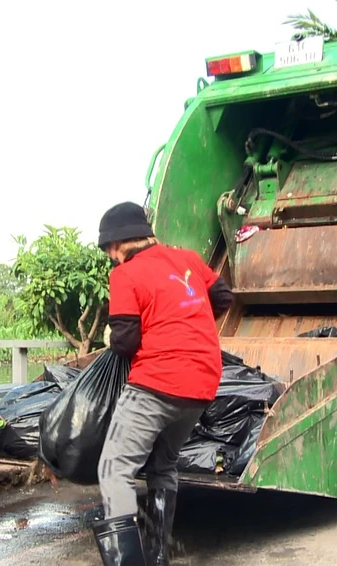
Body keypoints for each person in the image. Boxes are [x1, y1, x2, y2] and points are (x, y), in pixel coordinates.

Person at [91, 202, 233, 566]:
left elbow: (124, 342)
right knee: (163, 465)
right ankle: (156, 557)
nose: (110, 256)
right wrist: (188, 319)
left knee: (115, 469)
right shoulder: (186, 258)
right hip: (203, 382)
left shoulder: (125, 274)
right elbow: (223, 296)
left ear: (119, 243)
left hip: (157, 383)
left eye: (109, 249)